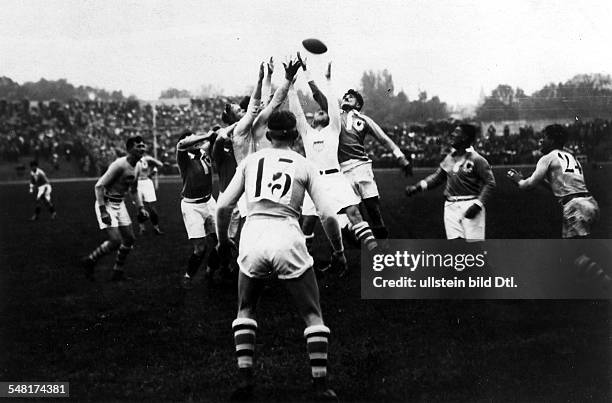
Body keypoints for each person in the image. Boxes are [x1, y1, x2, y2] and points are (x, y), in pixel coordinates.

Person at [216, 110, 346, 401]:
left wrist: (224, 242)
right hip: (288, 234)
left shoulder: (251, 161)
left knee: (246, 309)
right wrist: (338, 251)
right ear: (296, 136)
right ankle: (320, 385)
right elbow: (327, 215)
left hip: (254, 234)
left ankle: (245, 380)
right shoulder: (305, 164)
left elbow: (223, 207)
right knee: (312, 314)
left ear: (269, 135)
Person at [287, 60, 378, 267]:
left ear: (328, 117)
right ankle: (304, 262)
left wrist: (328, 80)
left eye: (323, 112)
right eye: (317, 113)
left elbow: (333, 106)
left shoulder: (333, 129)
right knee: (307, 222)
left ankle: (377, 256)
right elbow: (297, 112)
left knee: (354, 213)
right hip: (314, 181)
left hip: (336, 178)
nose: (319, 112)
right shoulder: (307, 131)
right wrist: (292, 86)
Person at [307, 78, 412, 241]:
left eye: (351, 96)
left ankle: (382, 242)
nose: (346, 96)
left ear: (358, 105)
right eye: (345, 95)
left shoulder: (364, 119)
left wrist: (400, 156)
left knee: (373, 208)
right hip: (341, 170)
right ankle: (360, 244)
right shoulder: (334, 115)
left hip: (361, 166)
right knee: (352, 210)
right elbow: (319, 96)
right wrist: (310, 79)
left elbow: (383, 138)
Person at [507, 124, 599, 238]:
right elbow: (566, 189)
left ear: (552, 141)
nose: (540, 140)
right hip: (590, 204)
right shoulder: (571, 156)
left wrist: (518, 180)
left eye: (544, 137)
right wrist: (543, 182)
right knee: (582, 250)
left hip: (575, 208)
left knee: (574, 252)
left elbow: (527, 186)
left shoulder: (547, 158)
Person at [406, 123, 496, 240]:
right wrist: (417, 187)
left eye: (456, 132)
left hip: (470, 204)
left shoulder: (477, 159)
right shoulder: (449, 158)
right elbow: (438, 177)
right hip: (451, 206)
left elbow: (490, 183)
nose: (452, 135)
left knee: (474, 248)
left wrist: (478, 205)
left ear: (464, 137)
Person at [82, 136, 149, 281]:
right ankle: (90, 260)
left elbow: (134, 190)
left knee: (130, 238)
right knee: (115, 241)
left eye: (143, 146)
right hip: (106, 204)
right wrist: (102, 211)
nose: (142, 149)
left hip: (120, 204)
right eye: (139, 146)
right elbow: (99, 186)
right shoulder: (119, 165)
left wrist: (141, 208)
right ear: (130, 149)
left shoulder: (137, 166)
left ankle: (118, 271)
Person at [176, 129, 220, 288]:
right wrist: (206, 135)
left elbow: (215, 136)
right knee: (200, 248)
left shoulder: (204, 150)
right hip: (192, 206)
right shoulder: (183, 157)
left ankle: (210, 271)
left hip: (209, 201)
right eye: (191, 139)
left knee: (222, 241)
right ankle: (188, 276)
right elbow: (181, 144)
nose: (195, 141)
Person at [134, 154, 165, 235]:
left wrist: (153, 171)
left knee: (152, 208)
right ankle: (142, 228)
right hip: (136, 183)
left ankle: (156, 228)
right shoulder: (130, 159)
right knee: (139, 208)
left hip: (147, 183)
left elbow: (160, 164)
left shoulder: (147, 159)